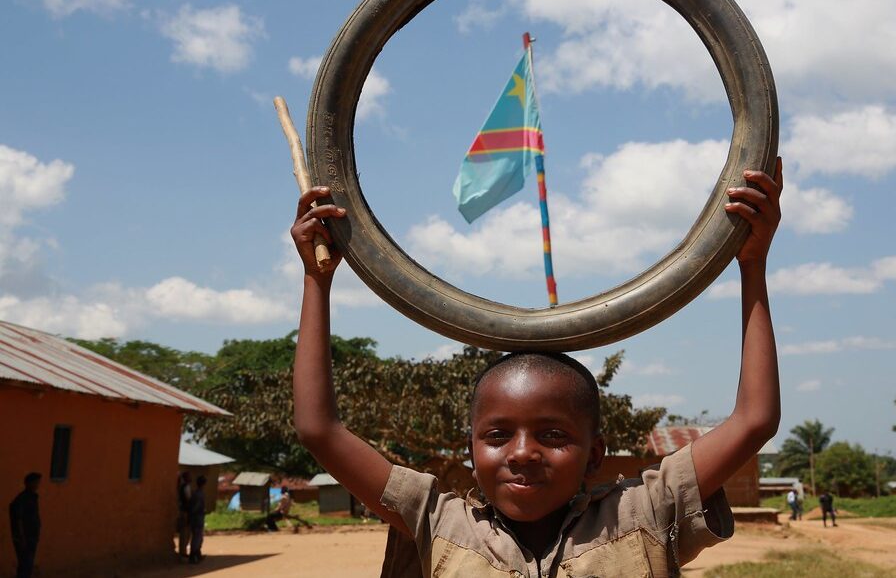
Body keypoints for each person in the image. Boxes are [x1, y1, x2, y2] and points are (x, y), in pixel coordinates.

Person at [290, 159, 783, 575]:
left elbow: (754, 419)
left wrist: (752, 264)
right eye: (498, 435)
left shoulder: (645, 513)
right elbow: (319, 430)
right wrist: (317, 280)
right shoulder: (436, 519)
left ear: (595, 455)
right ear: (470, 448)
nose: (523, 453)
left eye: (552, 436)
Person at [9, 472, 41, 578]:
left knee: (27, 565)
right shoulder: (22, 499)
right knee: (25, 565)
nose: (37, 485)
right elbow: (18, 519)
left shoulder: (33, 497)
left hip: (31, 537)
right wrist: (22, 537)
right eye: (35, 482)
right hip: (25, 538)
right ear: (28, 483)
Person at [188, 475, 207, 564]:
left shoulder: (195, 493)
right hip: (197, 517)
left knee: (197, 536)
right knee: (197, 536)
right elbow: (196, 507)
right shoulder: (200, 494)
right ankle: (193, 555)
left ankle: (196, 554)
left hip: (195, 517)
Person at [176, 472, 192, 561]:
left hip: (183, 511)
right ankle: (183, 552)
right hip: (185, 511)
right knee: (185, 532)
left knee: (184, 532)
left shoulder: (182, 487)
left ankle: (183, 551)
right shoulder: (186, 487)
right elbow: (188, 499)